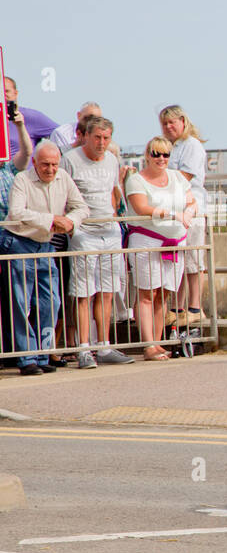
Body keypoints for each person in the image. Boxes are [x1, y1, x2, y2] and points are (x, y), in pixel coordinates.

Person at [2, 141, 88, 374]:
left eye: (54, 165)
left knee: (51, 301)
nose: (50, 169)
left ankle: (42, 353)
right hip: (20, 243)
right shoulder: (22, 179)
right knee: (19, 303)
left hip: (45, 245)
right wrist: (51, 219)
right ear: (34, 163)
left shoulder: (64, 178)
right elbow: (16, 212)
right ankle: (25, 357)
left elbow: (81, 207)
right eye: (45, 165)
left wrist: (71, 221)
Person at [61, 115, 132, 366]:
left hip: (109, 230)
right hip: (84, 230)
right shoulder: (70, 160)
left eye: (106, 138)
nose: (102, 143)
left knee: (107, 290)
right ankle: (83, 348)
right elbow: (63, 193)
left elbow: (113, 191)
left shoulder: (112, 159)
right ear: (87, 137)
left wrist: (114, 215)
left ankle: (103, 345)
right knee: (83, 292)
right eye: (97, 137)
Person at [124, 136, 195, 361]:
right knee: (147, 293)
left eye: (165, 154)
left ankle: (158, 341)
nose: (161, 158)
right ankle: (149, 344)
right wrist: (173, 214)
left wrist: (189, 213)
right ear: (148, 155)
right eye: (156, 154)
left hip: (175, 241)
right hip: (147, 239)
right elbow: (141, 207)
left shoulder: (177, 177)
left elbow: (191, 201)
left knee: (164, 293)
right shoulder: (136, 180)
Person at [158, 105, 208, 326]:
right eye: (165, 123)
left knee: (194, 259)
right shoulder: (173, 146)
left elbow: (184, 176)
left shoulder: (192, 145)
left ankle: (196, 307)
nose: (169, 127)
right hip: (175, 206)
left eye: (172, 122)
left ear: (182, 121)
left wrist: (156, 181)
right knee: (178, 259)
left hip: (192, 205)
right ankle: (178, 308)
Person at [0, 104, 34, 365]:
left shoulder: (8, 169)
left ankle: (21, 354)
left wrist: (20, 125)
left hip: (11, 235)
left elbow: (26, 153)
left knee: (17, 297)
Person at [3, 76, 58, 152]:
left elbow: (61, 135)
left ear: (15, 93)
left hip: (23, 163)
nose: (2, 95)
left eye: (6, 91)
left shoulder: (30, 116)